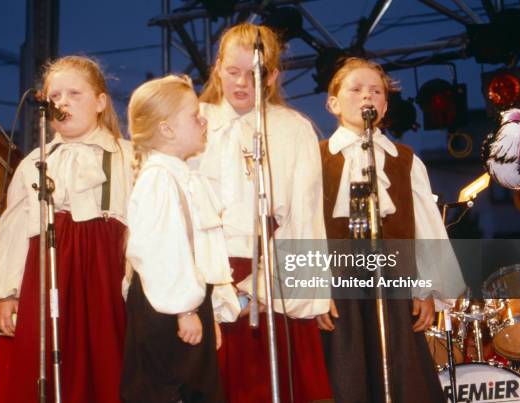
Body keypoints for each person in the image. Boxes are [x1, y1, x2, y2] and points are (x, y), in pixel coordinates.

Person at [0, 55, 133, 403]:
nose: (62, 102)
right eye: (55, 96)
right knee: (42, 368)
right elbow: (15, 232)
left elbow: (145, 231)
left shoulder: (128, 157)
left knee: (108, 368)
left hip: (105, 284)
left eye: (74, 93)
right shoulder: (35, 163)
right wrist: (7, 290)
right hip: (46, 280)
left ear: (100, 102)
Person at [191, 23, 332, 402]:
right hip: (202, 278)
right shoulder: (193, 120)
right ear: (217, 67)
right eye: (232, 71)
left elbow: (303, 217)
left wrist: (260, 286)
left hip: (270, 280)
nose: (241, 84)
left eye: (253, 74)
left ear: (271, 76)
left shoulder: (292, 129)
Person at [316, 57, 466, 403]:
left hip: (395, 284)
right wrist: (312, 291)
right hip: (340, 287)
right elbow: (304, 224)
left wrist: (426, 288)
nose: (366, 97)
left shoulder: (403, 159)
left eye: (376, 91)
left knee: (402, 375)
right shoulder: (317, 157)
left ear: (384, 105)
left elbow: (426, 226)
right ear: (333, 103)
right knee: (345, 372)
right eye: (355, 89)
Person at [121, 74, 239, 403]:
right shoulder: (159, 179)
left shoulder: (182, 176)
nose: (204, 121)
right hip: (166, 307)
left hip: (183, 303)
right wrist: (185, 310)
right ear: (167, 129)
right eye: (193, 115)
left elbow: (202, 253)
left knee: (195, 391)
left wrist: (209, 311)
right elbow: (159, 251)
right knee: (169, 390)